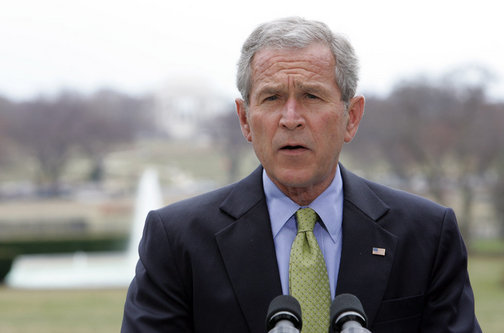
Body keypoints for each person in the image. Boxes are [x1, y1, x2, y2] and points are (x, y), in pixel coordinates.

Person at [122, 17, 481, 332]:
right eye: (272, 98)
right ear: (245, 119)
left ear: (351, 117)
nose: (290, 118)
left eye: (311, 96)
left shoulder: (427, 235)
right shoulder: (177, 241)